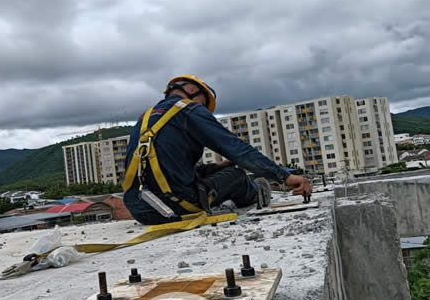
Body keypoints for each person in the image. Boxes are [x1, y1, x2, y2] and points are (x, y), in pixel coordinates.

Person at [122, 75, 312, 225]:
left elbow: (171, 171)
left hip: (141, 210)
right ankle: (259, 191)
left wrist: (217, 167)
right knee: (236, 176)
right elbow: (237, 149)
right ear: (191, 90)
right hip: (175, 207)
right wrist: (284, 177)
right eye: (203, 104)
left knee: (218, 173)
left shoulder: (145, 119)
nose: (202, 109)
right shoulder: (188, 110)